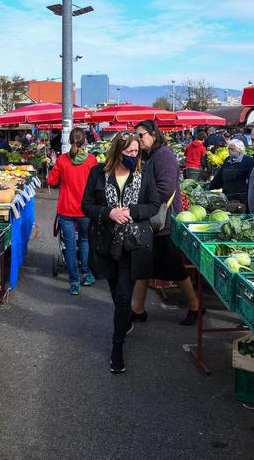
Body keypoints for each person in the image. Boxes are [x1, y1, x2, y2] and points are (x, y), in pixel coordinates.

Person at [81, 132, 160, 374]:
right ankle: (123, 321)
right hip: (106, 243)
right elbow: (86, 205)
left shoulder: (144, 173)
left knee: (125, 295)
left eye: (136, 152)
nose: (134, 156)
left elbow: (154, 205)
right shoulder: (97, 173)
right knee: (116, 292)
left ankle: (117, 347)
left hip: (133, 245)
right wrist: (109, 213)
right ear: (117, 152)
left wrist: (133, 212)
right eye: (128, 153)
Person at [130, 120, 201, 326]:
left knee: (174, 268)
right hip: (150, 221)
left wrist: (140, 204)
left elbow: (166, 189)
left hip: (164, 222)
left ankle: (195, 306)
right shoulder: (148, 155)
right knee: (142, 265)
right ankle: (138, 309)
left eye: (141, 135)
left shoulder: (164, 156)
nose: (138, 139)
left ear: (153, 133)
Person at [47, 128, 99, 295]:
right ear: (85, 141)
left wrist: (51, 167)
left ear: (70, 141)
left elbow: (51, 181)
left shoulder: (62, 160)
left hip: (66, 209)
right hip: (86, 210)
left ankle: (74, 283)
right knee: (84, 241)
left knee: (69, 246)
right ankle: (86, 273)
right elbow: (100, 181)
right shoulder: (92, 160)